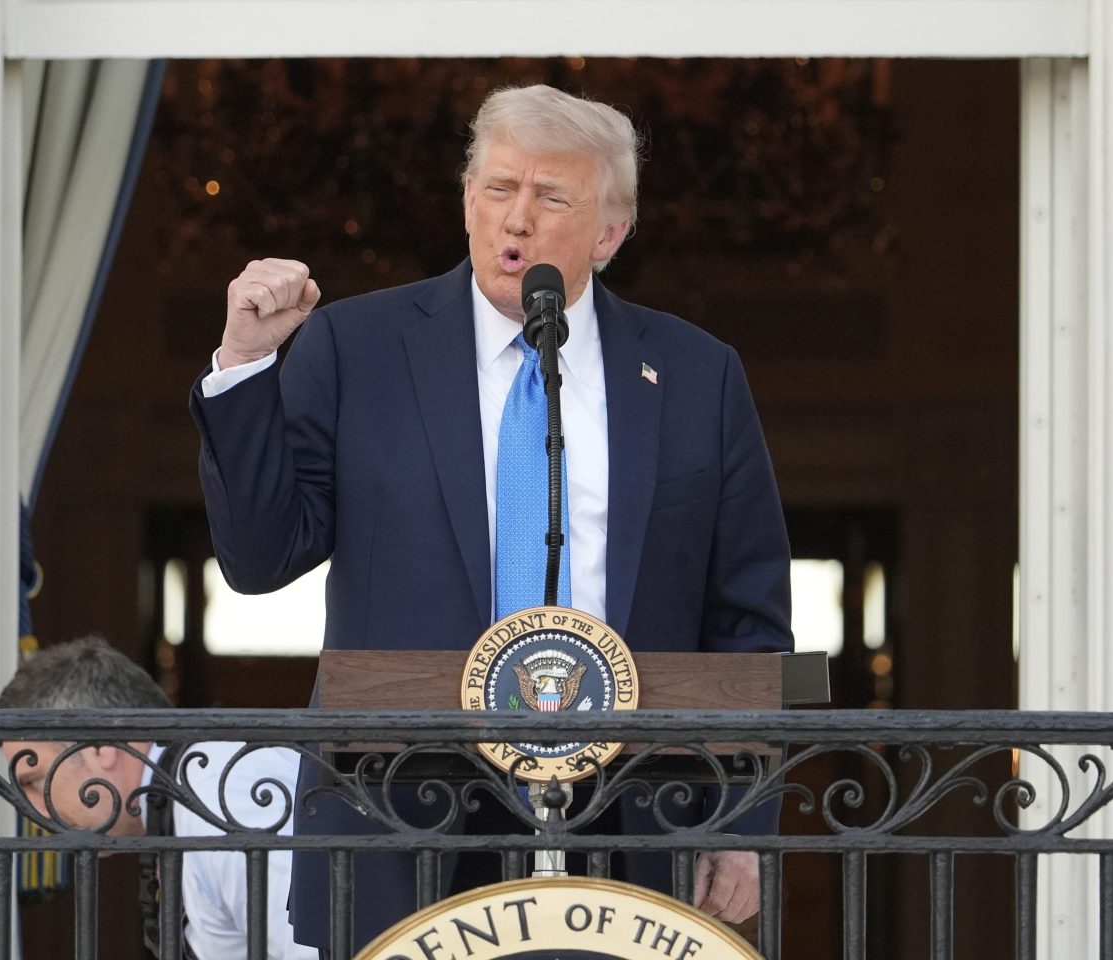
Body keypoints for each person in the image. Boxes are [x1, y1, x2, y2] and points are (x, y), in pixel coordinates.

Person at [189, 84, 793, 948]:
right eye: (498, 188)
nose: (518, 219)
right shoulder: (358, 348)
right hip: (400, 813)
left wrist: (739, 826)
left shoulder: (698, 376)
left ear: (609, 233)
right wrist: (246, 363)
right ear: (466, 201)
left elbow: (748, 621)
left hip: (629, 824)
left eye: (552, 198)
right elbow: (260, 557)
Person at [0, 636, 316, 960]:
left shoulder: (218, 795)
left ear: (99, 746)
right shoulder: (192, 793)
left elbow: (322, 951)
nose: (35, 809)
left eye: (34, 779)